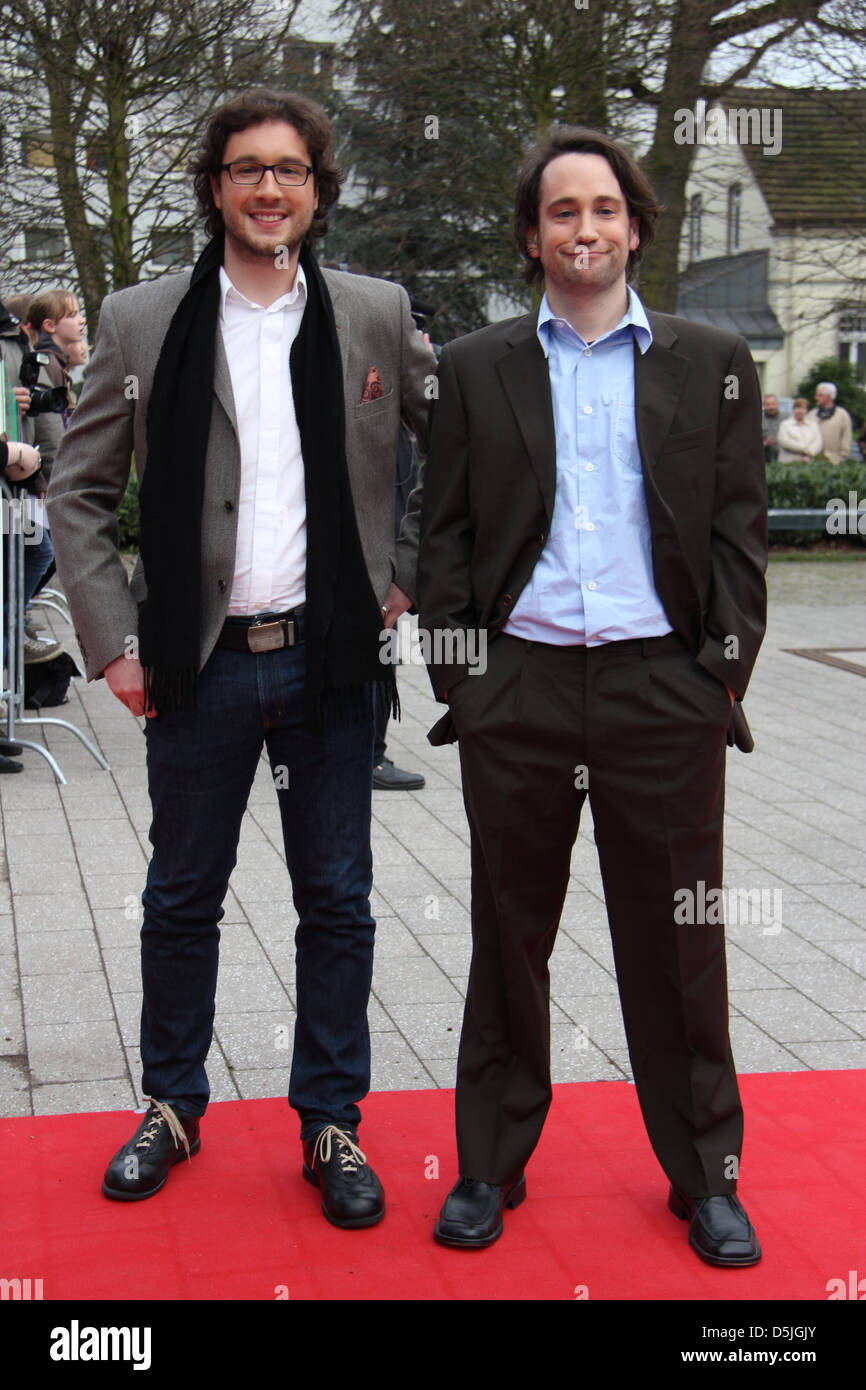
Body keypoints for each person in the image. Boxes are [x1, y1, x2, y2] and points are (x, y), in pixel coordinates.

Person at [47, 87, 434, 1226]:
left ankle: (330, 1122)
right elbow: (75, 492)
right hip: (197, 662)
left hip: (330, 660)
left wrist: (404, 572)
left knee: (339, 901)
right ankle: (171, 1103)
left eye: (293, 170)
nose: (272, 188)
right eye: (248, 168)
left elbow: (448, 439)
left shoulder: (371, 311)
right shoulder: (144, 316)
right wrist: (115, 642)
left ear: (318, 190)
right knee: (179, 897)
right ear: (215, 186)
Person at [417, 125, 767, 1265]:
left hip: (658, 691)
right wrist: (463, 682)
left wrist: (715, 679)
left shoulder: (708, 355)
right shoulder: (474, 366)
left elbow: (735, 535)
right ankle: (486, 1164)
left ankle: (704, 1175)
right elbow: (449, 537)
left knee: (680, 942)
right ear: (533, 235)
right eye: (561, 211)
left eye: (602, 209)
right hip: (514, 690)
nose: (583, 229)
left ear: (633, 225)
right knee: (507, 935)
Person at [806, 382, 852, 464]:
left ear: (829, 396)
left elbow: (846, 437)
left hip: (834, 461)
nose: (816, 398)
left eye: (820, 395)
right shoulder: (811, 414)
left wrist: (842, 456)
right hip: (813, 461)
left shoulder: (842, 415)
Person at [777, 397, 823, 462]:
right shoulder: (785, 425)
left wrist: (810, 453)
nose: (800, 411)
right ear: (793, 409)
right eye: (798, 408)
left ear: (806, 410)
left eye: (803, 408)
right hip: (789, 462)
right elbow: (784, 441)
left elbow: (818, 441)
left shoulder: (813, 425)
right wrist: (805, 449)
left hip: (808, 461)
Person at [761, 393, 784, 462]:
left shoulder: (786, 419)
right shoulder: (759, 420)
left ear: (777, 404)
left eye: (773, 404)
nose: (771, 407)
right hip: (765, 458)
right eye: (768, 405)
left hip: (784, 457)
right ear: (764, 406)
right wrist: (765, 443)